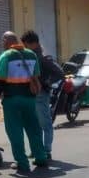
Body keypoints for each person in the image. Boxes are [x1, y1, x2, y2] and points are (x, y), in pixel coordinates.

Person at [0, 31, 47, 174]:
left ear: (6, 40)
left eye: (2, 40)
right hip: (30, 99)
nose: (1, 43)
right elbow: (36, 76)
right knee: (33, 128)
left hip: (11, 99)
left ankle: (22, 163)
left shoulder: (5, 56)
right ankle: (41, 157)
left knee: (14, 131)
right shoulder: (31, 54)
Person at [21, 30, 63, 160]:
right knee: (33, 124)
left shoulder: (42, 59)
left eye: (26, 44)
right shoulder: (28, 57)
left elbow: (59, 73)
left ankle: (46, 150)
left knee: (45, 124)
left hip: (41, 95)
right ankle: (36, 149)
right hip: (30, 95)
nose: (24, 47)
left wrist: (46, 82)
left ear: (33, 44)